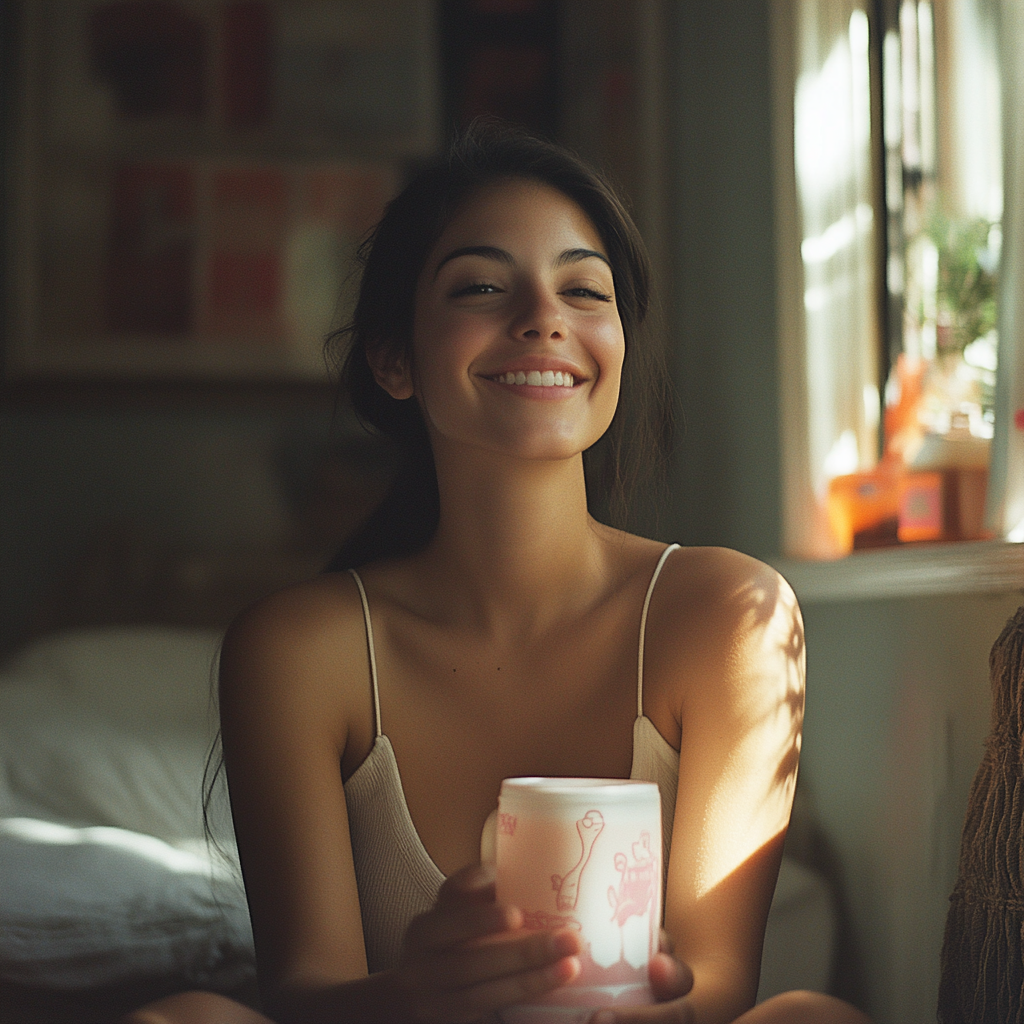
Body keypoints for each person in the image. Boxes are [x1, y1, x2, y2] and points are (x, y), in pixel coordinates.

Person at [122, 123, 870, 1024]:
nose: (543, 316)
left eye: (583, 289)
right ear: (392, 358)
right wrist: (418, 994)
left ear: (618, 348)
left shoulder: (729, 617)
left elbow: (717, 982)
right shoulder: (298, 650)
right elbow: (303, 995)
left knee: (813, 1017)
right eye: (481, 285)